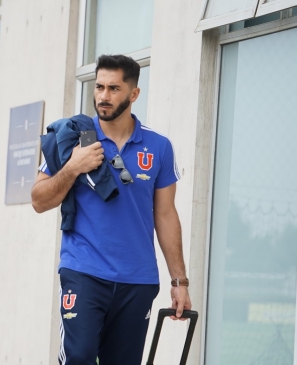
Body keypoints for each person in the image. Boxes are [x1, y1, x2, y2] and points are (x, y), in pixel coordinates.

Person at [31, 54, 191, 365]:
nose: (103, 96)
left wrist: (179, 282)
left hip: (138, 278)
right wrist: (73, 167)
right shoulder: (73, 137)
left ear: (134, 94)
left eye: (114, 89)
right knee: (79, 356)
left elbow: (166, 215)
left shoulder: (159, 147)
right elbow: (39, 200)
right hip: (84, 271)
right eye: (99, 87)